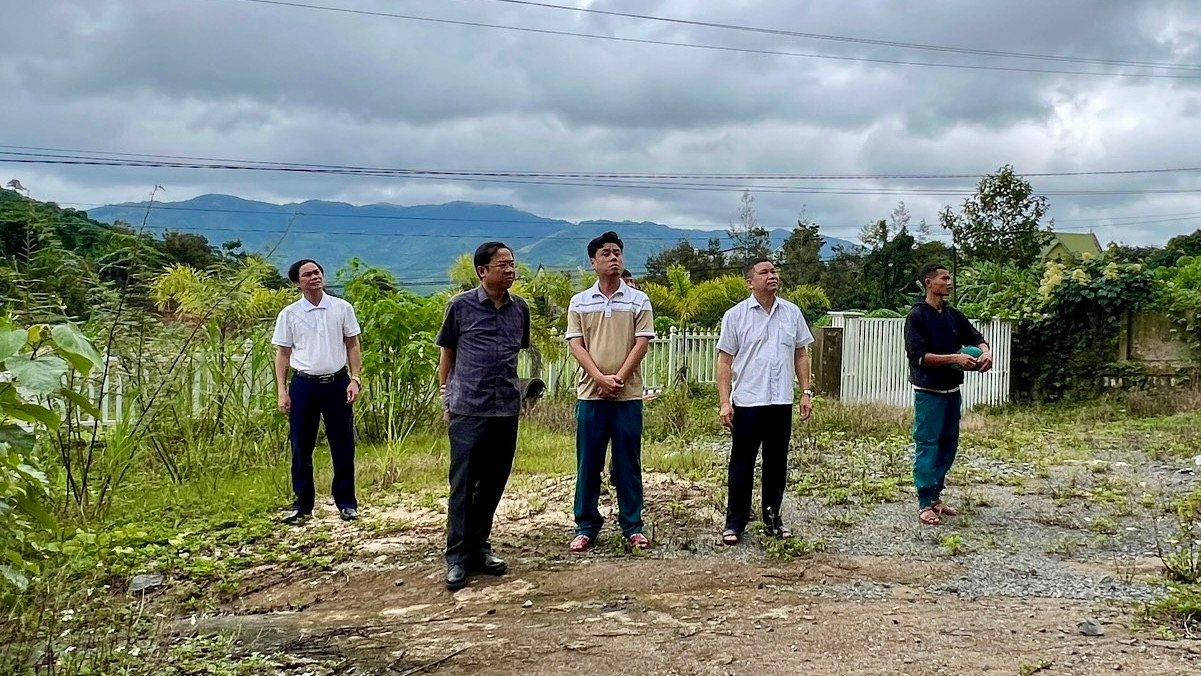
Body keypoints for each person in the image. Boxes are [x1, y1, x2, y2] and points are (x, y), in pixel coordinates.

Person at [435, 242, 531, 591]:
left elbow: (515, 352)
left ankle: (480, 548)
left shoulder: (519, 309)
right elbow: (447, 354)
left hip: (505, 407)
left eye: (512, 264)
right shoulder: (459, 307)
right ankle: (457, 556)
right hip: (467, 409)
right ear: (482, 271)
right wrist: (446, 398)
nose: (510, 270)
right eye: (502, 265)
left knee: (493, 482)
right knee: (463, 484)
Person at [565, 231, 655, 553]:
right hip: (591, 395)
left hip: (627, 395)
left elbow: (641, 344)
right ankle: (586, 524)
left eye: (617, 252)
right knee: (588, 462)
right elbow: (576, 345)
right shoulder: (579, 302)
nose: (614, 257)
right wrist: (599, 378)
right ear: (593, 262)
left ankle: (633, 525)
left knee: (628, 462)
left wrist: (617, 378)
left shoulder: (638, 300)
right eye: (606, 253)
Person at [716, 258, 814, 544]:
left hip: (780, 402)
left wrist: (806, 392)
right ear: (750, 282)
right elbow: (724, 361)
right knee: (742, 465)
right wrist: (725, 401)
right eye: (764, 272)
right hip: (747, 401)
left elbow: (801, 354)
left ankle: (773, 520)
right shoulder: (736, 316)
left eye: (773, 271)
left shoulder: (792, 313)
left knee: (776, 465)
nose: (772, 276)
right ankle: (735, 523)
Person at [272, 259, 363, 525]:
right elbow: (282, 355)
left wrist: (355, 378)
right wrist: (282, 390)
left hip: (337, 382)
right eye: (307, 274)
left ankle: (346, 503)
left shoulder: (341, 308)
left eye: (317, 272)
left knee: (343, 444)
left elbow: (353, 345)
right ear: (297, 282)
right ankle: (302, 505)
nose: (315, 277)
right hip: (304, 385)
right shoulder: (289, 314)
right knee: (301, 445)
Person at [904, 263, 993, 527]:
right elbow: (918, 357)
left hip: (952, 390)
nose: (949, 282)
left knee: (948, 445)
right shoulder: (917, 316)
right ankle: (924, 502)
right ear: (928, 283)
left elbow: (976, 337)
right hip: (928, 392)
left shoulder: (954, 316)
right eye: (944, 278)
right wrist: (954, 357)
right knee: (927, 444)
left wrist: (985, 352)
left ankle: (936, 498)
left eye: (949, 278)